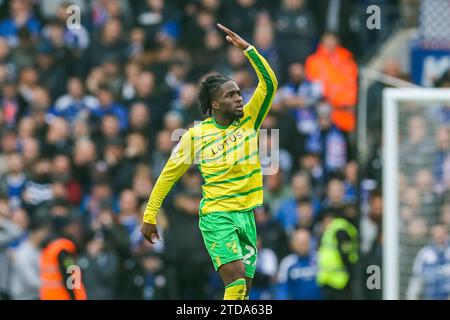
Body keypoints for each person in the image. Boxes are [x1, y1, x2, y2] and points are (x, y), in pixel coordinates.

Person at [141, 23, 278, 300]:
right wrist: (149, 214)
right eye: (231, 95)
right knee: (236, 285)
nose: (239, 97)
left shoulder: (250, 118)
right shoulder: (196, 136)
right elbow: (168, 174)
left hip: (247, 215)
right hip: (217, 216)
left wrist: (248, 50)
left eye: (239, 92)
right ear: (215, 104)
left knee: (244, 295)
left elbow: (270, 83)